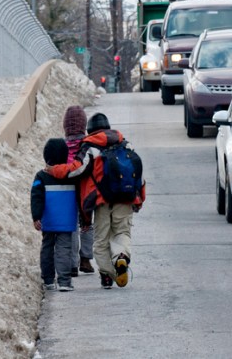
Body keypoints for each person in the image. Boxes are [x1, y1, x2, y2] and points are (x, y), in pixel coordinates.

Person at [45, 113, 146, 289]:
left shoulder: (90, 146)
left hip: (102, 200)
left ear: (90, 130)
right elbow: (138, 173)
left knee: (101, 240)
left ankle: (107, 276)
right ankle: (121, 257)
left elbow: (75, 170)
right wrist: (139, 198)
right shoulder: (125, 143)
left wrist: (54, 170)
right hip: (125, 197)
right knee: (122, 233)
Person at [30, 138, 78, 292]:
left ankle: (49, 280)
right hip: (66, 219)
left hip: (48, 220)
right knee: (64, 249)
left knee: (47, 247)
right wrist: (84, 218)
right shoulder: (72, 175)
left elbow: (36, 197)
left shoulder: (41, 177)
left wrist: (36, 217)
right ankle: (64, 281)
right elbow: (80, 196)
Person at [62, 105, 95, 275]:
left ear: (65, 126)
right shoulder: (88, 145)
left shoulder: (62, 146)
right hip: (86, 190)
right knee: (87, 222)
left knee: (72, 225)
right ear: (83, 124)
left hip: (68, 190)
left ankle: (73, 263)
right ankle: (86, 259)